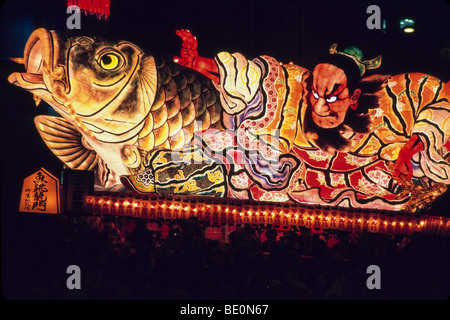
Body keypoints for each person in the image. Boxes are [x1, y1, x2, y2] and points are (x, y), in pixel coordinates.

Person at [170, 29, 450, 211]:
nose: (319, 107)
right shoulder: (292, 91)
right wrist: (198, 63)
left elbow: (439, 98)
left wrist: (410, 149)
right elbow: (245, 79)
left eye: (330, 98)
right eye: (314, 93)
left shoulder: (388, 105)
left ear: (354, 98)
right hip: (288, 182)